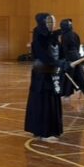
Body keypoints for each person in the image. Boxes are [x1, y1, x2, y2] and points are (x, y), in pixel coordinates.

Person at [24, 13, 63, 141]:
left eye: (53, 22)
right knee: (43, 101)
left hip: (53, 74)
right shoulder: (38, 39)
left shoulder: (54, 37)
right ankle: (43, 132)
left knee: (52, 100)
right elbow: (44, 57)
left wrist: (65, 62)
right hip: (42, 76)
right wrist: (59, 63)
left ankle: (52, 130)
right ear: (42, 23)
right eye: (49, 22)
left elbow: (60, 53)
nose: (52, 25)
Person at [58, 18, 84, 97]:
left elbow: (64, 48)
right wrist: (76, 54)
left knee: (67, 74)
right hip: (76, 55)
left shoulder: (64, 36)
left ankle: (66, 92)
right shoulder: (75, 34)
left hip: (69, 57)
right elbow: (77, 45)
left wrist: (63, 58)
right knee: (79, 74)